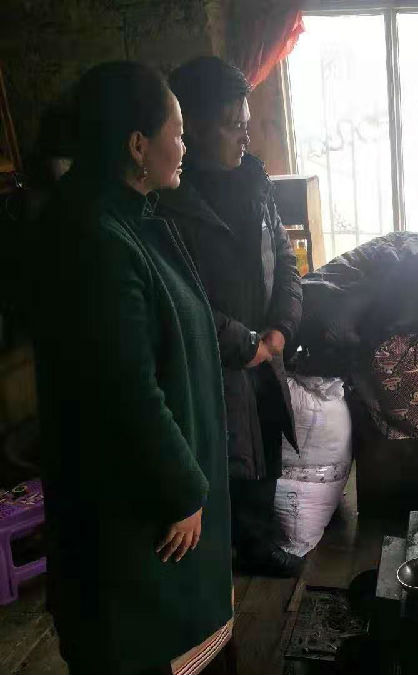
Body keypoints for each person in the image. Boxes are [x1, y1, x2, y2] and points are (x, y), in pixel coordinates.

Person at [29, 62, 232, 675]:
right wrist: (183, 487)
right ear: (138, 145)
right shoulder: (94, 237)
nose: (185, 145)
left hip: (154, 488)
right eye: (178, 132)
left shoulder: (124, 218)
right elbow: (125, 388)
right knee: (135, 643)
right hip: (135, 503)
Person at [158, 57, 303, 577]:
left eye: (247, 123)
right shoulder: (168, 204)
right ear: (192, 128)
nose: (245, 136)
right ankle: (220, 559)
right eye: (231, 126)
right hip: (216, 358)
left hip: (266, 345)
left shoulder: (255, 180)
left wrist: (282, 327)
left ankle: (258, 545)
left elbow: (284, 258)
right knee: (225, 457)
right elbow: (182, 299)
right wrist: (246, 344)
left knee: (266, 443)